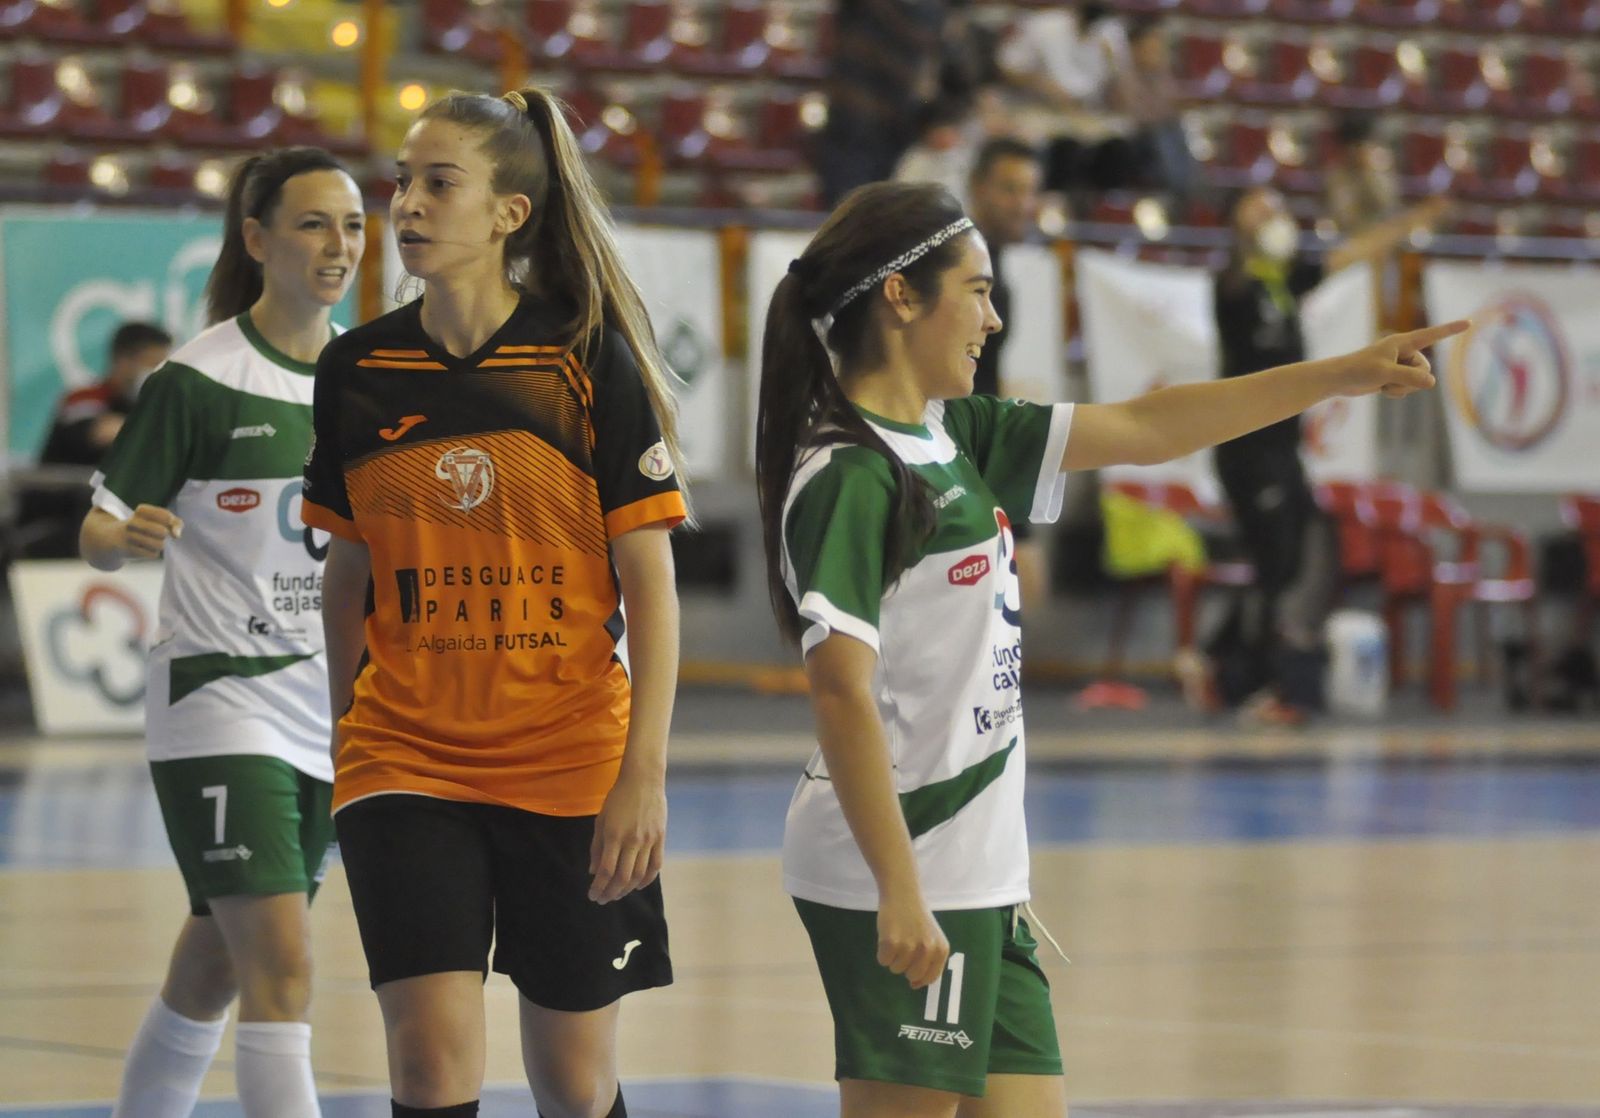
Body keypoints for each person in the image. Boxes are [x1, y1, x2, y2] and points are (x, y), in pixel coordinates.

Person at [754, 179, 1462, 1116]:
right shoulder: (849, 471)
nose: (993, 318)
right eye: (976, 291)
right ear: (899, 297)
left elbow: (1147, 427)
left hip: (983, 870)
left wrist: (1338, 373)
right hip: (906, 863)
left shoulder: (950, 435)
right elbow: (841, 692)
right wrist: (899, 890)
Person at [303, 87, 686, 1118]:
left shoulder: (583, 355)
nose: (408, 205)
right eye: (401, 182)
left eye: (439, 182)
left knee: (571, 1078)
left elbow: (648, 578)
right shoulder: (357, 367)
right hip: (405, 756)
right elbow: (346, 576)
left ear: (510, 212)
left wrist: (639, 773)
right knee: (427, 1065)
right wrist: (352, 731)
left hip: (568, 757)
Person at [78, 147, 366, 1118]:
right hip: (220, 697)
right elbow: (98, 525)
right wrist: (125, 533)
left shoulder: (365, 374)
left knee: (213, 969)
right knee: (283, 965)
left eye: (354, 225)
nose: (340, 246)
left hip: (327, 711)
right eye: (314, 223)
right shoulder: (197, 378)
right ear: (257, 239)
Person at [1185, 184, 1450, 724]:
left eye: (1278, 206)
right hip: (1248, 452)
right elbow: (1242, 290)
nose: (1274, 214)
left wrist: (1408, 221)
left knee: (1297, 559)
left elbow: (1349, 253)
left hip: (1284, 452)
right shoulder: (1234, 287)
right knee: (1277, 567)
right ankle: (1247, 678)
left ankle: (1218, 665)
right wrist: (1253, 244)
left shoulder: (1283, 283)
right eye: (1259, 208)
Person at [963, 138, 1048, 610]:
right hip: (959, 447)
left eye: (1030, 191)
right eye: (1010, 189)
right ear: (977, 188)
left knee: (1026, 584)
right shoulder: (956, 264)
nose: (1024, 204)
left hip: (986, 438)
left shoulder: (991, 261)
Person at [16, 321, 173, 557]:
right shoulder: (84, 397)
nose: (160, 372)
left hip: (113, 515)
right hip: (61, 512)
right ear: (123, 361)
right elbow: (103, 432)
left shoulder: (148, 408)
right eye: (152, 364)